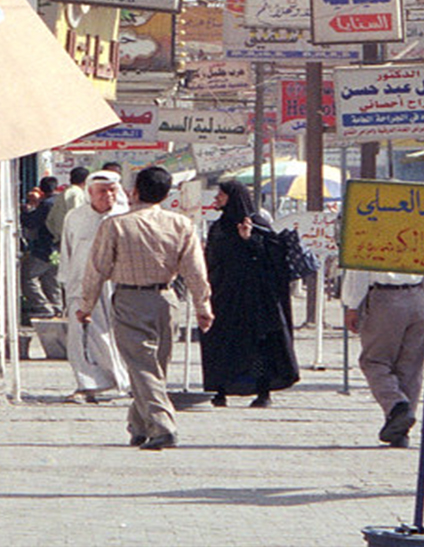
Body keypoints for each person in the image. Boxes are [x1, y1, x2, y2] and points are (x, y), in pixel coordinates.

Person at [76, 165, 212, 451]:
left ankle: (163, 427)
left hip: (130, 299)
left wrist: (85, 305)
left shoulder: (115, 225)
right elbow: (195, 271)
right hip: (166, 300)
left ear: (134, 191)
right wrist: (203, 306)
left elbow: (97, 269)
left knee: (142, 366)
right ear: (166, 194)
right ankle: (138, 425)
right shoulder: (181, 224)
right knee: (154, 366)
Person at [201, 180, 300, 408]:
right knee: (222, 343)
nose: (217, 198)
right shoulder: (218, 227)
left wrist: (249, 240)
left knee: (259, 346)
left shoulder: (257, 224)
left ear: (233, 198)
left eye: (221, 194)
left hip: (254, 299)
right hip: (224, 296)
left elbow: (272, 259)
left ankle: (263, 391)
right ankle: (221, 389)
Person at [59, 171, 130, 401]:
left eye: (112, 190)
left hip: (115, 286)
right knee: (81, 335)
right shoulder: (75, 217)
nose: (107, 195)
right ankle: (87, 385)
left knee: (115, 334)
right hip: (80, 285)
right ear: (90, 192)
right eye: (102, 191)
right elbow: (67, 251)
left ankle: (123, 381)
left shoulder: (125, 217)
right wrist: (67, 283)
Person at [342, 266, 424, 447]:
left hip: (386, 298)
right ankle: (400, 431)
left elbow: (360, 269)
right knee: (410, 367)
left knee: (374, 361)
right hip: (419, 297)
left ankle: (397, 406)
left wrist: (352, 305)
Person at [21, 186, 62, 319]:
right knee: (51, 278)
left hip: (45, 248)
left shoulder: (47, 204)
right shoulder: (60, 201)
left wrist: (26, 210)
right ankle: (56, 307)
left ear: (42, 192)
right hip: (58, 247)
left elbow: (31, 222)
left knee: (27, 276)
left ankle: (43, 307)